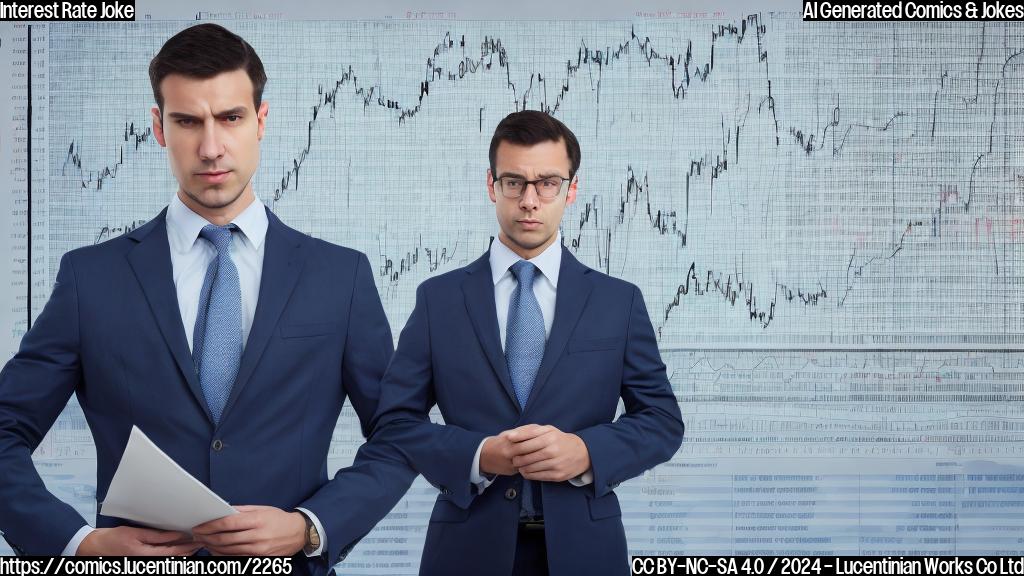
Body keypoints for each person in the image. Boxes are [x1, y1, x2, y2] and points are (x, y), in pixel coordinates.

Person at [0, 23, 414, 574]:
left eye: (231, 118)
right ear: (159, 127)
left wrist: (311, 526)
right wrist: (78, 546)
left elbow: (401, 433)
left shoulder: (341, 277)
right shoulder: (90, 279)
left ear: (261, 122)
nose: (211, 147)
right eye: (188, 121)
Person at [369, 110, 685, 575]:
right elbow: (393, 423)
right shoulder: (439, 300)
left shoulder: (618, 302)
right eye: (514, 182)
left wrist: (587, 453)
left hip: (586, 550)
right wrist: (479, 456)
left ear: (571, 189)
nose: (530, 200)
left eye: (548, 183)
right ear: (492, 185)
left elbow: (662, 421)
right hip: (466, 550)